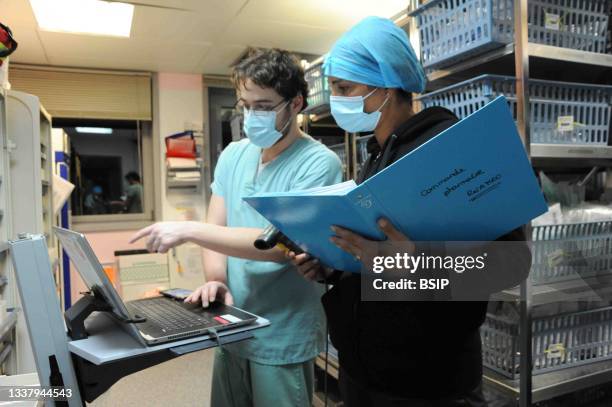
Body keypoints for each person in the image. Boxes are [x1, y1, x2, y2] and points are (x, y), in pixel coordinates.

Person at [289, 17, 531, 406]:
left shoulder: (453, 150)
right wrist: (334, 266)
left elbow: (511, 262)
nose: (337, 101)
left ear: (384, 87)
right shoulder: (375, 157)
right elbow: (379, 267)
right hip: (364, 374)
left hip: (431, 383)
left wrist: (417, 263)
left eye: (344, 88)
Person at [130, 48, 343, 407]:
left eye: (263, 106)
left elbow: (281, 245)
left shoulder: (318, 163)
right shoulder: (234, 155)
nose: (250, 116)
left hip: (282, 329)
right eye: (244, 105)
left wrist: (188, 230)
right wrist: (217, 279)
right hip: (231, 321)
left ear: (295, 104)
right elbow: (219, 224)